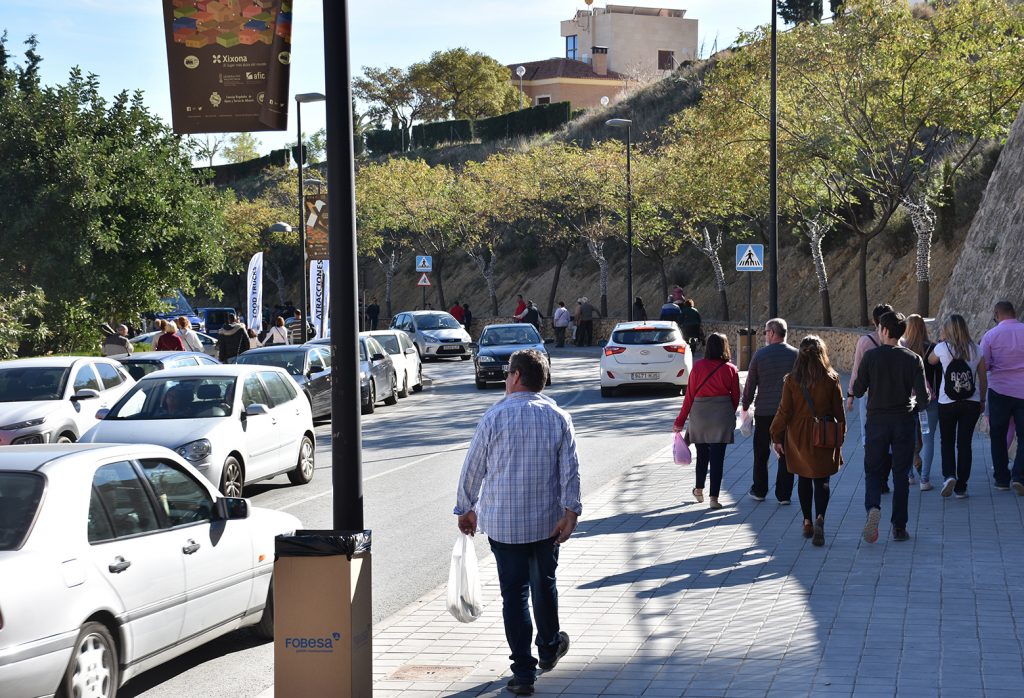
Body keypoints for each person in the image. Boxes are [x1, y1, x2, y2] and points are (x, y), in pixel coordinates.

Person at [454, 349, 580, 696]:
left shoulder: (493, 417)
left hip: (505, 526)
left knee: (514, 595)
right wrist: (571, 512)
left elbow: (473, 468)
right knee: (544, 585)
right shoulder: (557, 417)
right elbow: (570, 471)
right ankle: (550, 645)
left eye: (508, 373)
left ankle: (523, 672)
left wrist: (465, 509)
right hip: (547, 524)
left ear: (516, 377)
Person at [852, 311, 929, 543]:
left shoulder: (871, 357)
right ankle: (899, 527)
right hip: (903, 421)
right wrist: (913, 407)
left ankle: (873, 508)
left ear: (884, 331)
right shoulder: (913, 359)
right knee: (901, 475)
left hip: (877, 421)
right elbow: (924, 399)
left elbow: (857, 390)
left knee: (873, 471)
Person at [770, 336, 845, 546]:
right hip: (824, 432)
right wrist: (842, 435)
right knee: (822, 480)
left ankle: (807, 521)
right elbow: (839, 411)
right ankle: (820, 517)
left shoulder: (792, 380)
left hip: (799, 435)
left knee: (803, 478)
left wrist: (775, 434)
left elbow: (784, 411)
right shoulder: (831, 378)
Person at [673, 333, 741, 510]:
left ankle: (699, 489)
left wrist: (680, 421)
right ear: (725, 347)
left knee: (702, 456)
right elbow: (736, 397)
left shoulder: (698, 367)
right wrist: (727, 412)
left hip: (700, 416)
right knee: (718, 459)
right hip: (721, 417)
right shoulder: (731, 369)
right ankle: (714, 498)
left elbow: (689, 397)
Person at [928, 313, 986, 499]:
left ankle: (949, 476)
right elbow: (983, 379)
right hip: (971, 401)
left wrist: (942, 341)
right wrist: (982, 401)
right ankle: (962, 487)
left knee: (947, 441)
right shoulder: (977, 349)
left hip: (947, 401)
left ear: (948, 330)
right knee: (964, 444)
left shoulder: (942, 348)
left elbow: (929, 361)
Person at [741, 318, 798, 504]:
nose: (765, 335)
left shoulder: (760, 355)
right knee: (786, 452)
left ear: (772, 333)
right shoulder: (796, 355)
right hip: (787, 413)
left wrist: (745, 404)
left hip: (764, 412)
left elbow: (750, 384)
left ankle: (759, 490)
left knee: (761, 452)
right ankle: (784, 495)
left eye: (766, 332)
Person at [847, 303, 895, 494]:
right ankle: (884, 479)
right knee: (890, 439)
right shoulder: (899, 341)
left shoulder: (865, 342)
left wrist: (850, 395)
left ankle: (873, 478)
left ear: (874, 321)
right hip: (893, 398)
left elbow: (856, 371)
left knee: (869, 437)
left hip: (869, 397)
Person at [980, 300, 1024, 493]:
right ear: (1014, 312)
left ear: (997, 314)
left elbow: (985, 365)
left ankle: (1001, 479)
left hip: (999, 391)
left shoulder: (990, 335)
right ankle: (1019, 475)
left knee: (998, 435)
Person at [903, 314, 941, 490]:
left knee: (908, 437)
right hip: (929, 402)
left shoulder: (903, 349)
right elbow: (939, 378)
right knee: (928, 440)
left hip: (907, 402)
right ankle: (925, 479)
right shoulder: (932, 348)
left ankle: (910, 475)